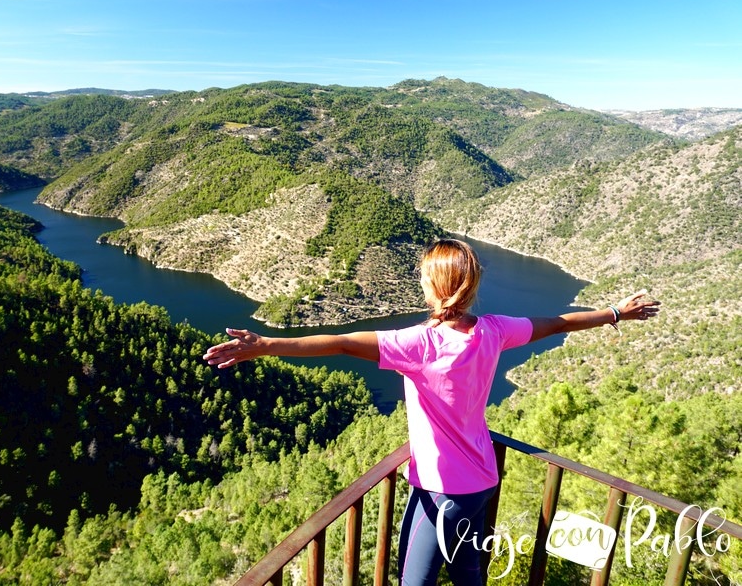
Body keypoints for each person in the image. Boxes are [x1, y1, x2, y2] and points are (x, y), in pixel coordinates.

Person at [202, 238, 660, 586]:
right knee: (467, 573)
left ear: (435, 286)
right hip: (480, 481)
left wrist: (264, 346)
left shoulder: (418, 344)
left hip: (443, 491)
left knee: (415, 581)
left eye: (423, 277)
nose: (419, 282)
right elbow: (556, 323)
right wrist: (615, 312)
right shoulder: (495, 331)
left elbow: (340, 342)